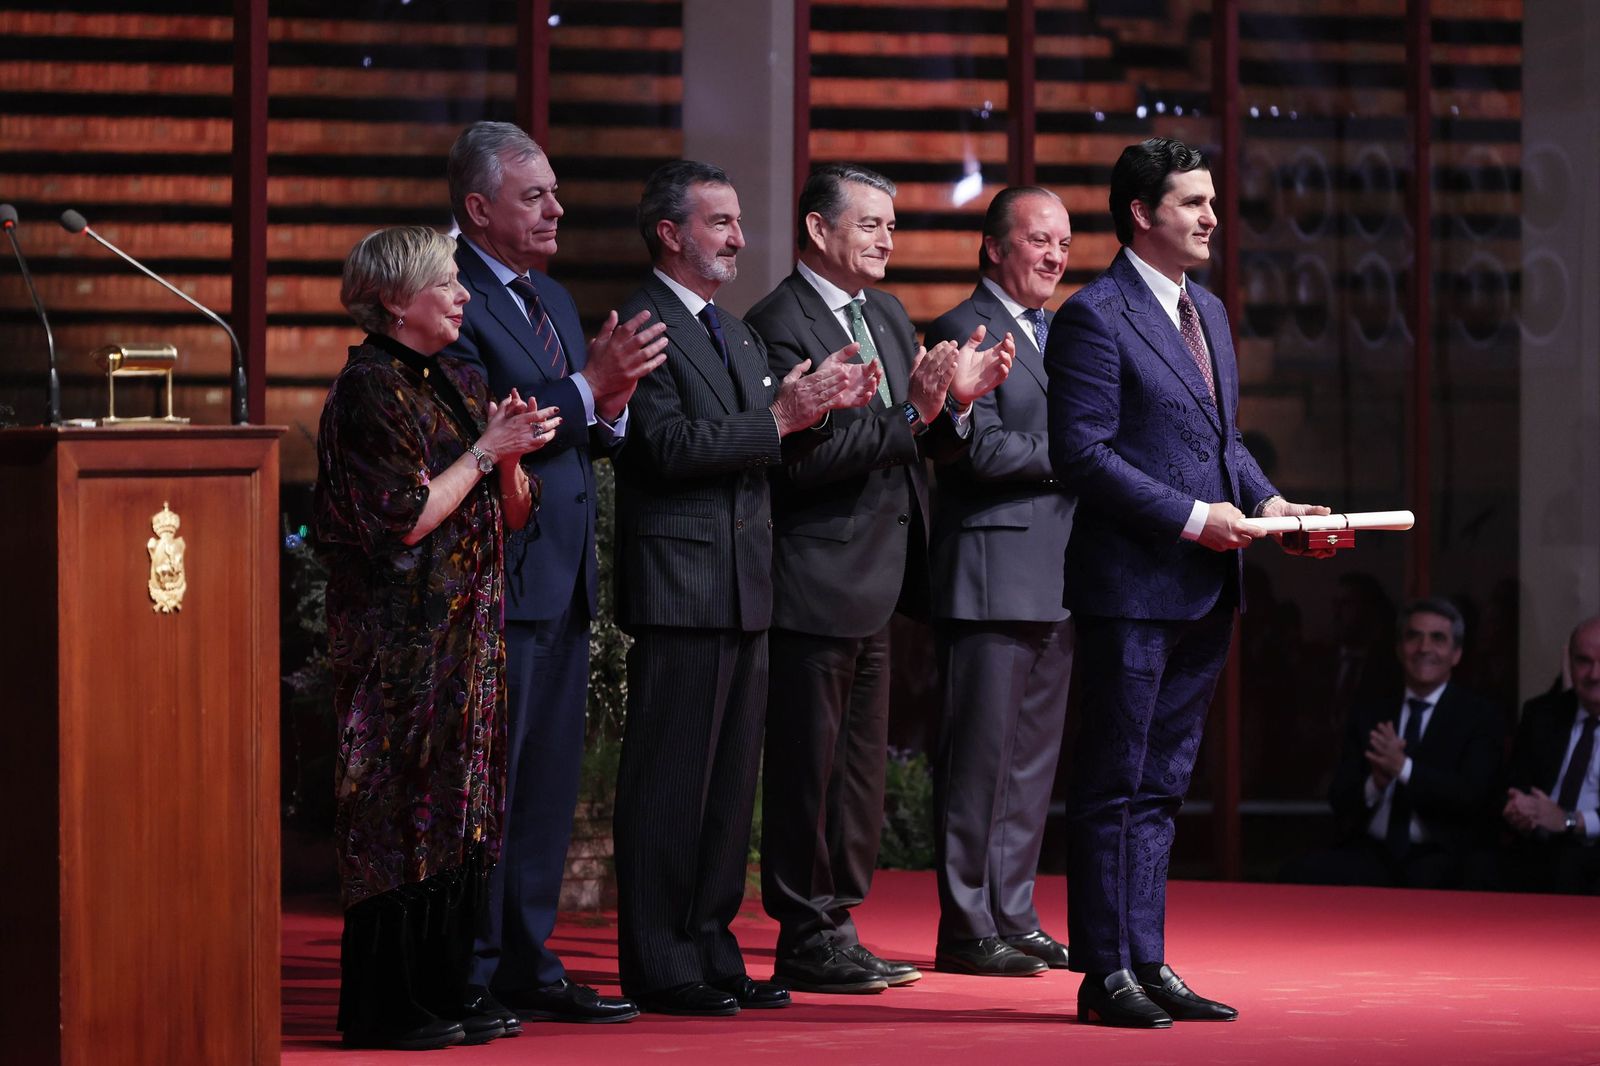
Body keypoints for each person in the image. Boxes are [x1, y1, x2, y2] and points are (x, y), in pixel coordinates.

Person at [1045, 137, 1330, 1028]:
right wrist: (1193, 518)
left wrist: (1275, 506)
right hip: (1132, 585)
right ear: (1141, 213)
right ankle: (1105, 974)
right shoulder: (1094, 314)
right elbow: (1080, 455)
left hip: (1207, 586)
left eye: (1212, 201)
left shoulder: (1205, 308)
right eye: (1194, 203)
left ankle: (1148, 957)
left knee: (1164, 784)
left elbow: (1224, 446)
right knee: (1114, 780)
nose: (1213, 217)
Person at [610, 160, 880, 1016]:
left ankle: (713, 949)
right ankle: (660, 962)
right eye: (721, 222)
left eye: (735, 221)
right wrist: (780, 419)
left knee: (729, 792)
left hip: (748, 583)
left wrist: (818, 411)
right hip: (681, 583)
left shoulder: (732, 330)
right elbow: (667, 447)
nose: (738, 237)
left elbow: (767, 444)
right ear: (670, 233)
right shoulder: (643, 324)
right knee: (670, 786)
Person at [746, 163, 1012, 994]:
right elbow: (803, 458)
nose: (888, 238)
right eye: (870, 225)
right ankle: (804, 930)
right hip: (814, 577)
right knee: (806, 770)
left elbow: (918, 439)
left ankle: (841, 922)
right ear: (820, 231)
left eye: (891, 224)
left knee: (858, 774)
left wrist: (956, 408)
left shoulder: (890, 315)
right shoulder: (775, 323)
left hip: (885, 578)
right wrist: (916, 414)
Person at [441, 121, 668, 1025]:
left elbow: (582, 436)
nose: (556, 210)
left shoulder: (553, 298)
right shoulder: (449, 294)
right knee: (491, 782)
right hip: (497, 575)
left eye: (555, 193)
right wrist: (585, 391)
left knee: (544, 785)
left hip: (564, 574)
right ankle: (471, 967)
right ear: (478, 208)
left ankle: (527, 962)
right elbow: (492, 424)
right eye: (534, 196)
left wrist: (609, 404)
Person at [314, 225, 557, 1050]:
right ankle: (389, 1005)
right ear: (393, 300)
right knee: (399, 820)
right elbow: (406, 519)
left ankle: (452, 988)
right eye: (446, 283)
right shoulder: (368, 391)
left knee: (464, 818)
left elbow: (511, 512)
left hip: (468, 646)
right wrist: (487, 451)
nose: (461, 295)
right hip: (399, 653)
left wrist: (512, 456)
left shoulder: (457, 375)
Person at [924, 186, 1076, 978]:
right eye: (1038, 239)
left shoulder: (1058, 333)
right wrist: (1078, 452)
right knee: (979, 760)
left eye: (1064, 242)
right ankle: (965, 924)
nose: (1054, 255)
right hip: (989, 571)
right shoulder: (961, 328)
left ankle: (1013, 912)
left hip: (1057, 573)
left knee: (1029, 765)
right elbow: (975, 452)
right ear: (993, 248)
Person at [1283, 598, 1504, 889]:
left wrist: (1404, 768)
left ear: (1456, 653)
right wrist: (1376, 782)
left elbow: (1472, 796)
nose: (1424, 648)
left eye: (1438, 639)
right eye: (1414, 637)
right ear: (1400, 650)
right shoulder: (1371, 711)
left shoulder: (1479, 716)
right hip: (1373, 851)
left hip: (1442, 855)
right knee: (1299, 874)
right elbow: (1340, 798)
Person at [1500, 615, 1600, 893]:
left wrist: (1568, 820)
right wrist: (1518, 807)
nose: (1594, 674)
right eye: (1583, 661)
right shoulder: (1542, 713)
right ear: (1569, 663)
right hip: (1539, 844)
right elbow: (1515, 780)